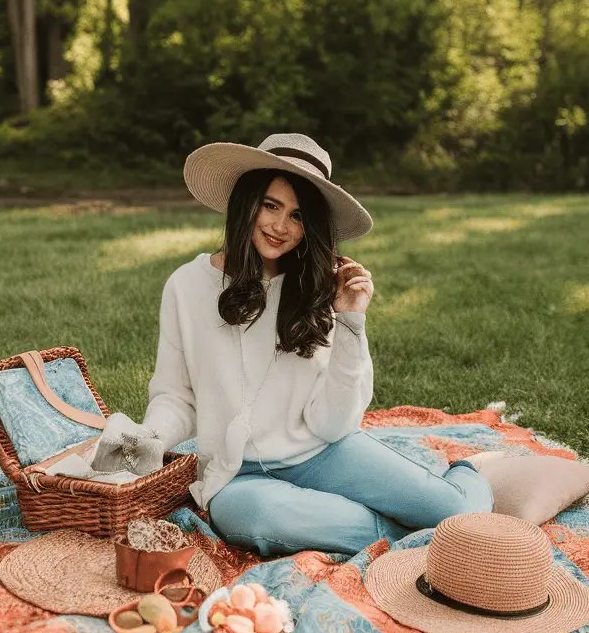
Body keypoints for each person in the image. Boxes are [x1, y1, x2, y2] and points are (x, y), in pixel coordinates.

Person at [142, 133, 493, 557]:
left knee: (454, 509)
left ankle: (467, 480)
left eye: (298, 216)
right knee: (250, 517)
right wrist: (147, 440)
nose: (280, 227)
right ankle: (412, 533)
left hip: (320, 452)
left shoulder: (317, 287)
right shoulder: (185, 286)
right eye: (271, 205)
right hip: (237, 477)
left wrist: (350, 322)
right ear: (246, 202)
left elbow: (334, 425)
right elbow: (176, 396)